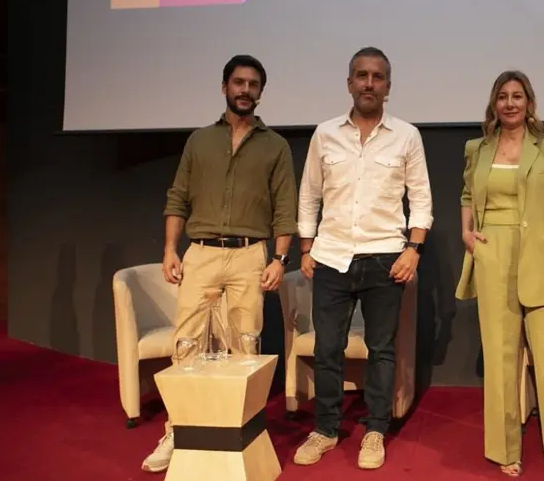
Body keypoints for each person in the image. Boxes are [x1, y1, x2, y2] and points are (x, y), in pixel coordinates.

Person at [142, 54, 299, 473]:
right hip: (202, 252)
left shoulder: (275, 146)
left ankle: (239, 433)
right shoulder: (198, 141)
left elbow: (285, 208)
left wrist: (280, 258)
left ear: (261, 92)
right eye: (238, 83)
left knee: (244, 348)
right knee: (188, 344)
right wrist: (170, 250)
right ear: (225, 87)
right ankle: (178, 431)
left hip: (250, 254)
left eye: (253, 84)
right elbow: (178, 197)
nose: (245, 90)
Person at [455, 70, 544, 478]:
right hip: (491, 255)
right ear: (494, 103)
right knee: (501, 358)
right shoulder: (476, 148)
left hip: (541, 256)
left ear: (529, 103)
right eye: (502, 96)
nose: (510, 103)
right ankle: (504, 449)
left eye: (518, 96)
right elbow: (467, 194)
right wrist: (466, 232)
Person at [293, 47, 433, 470]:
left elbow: (421, 198)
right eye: (361, 75)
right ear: (349, 82)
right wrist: (305, 247)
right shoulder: (325, 134)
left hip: (385, 257)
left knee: (381, 349)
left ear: (388, 87)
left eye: (377, 77)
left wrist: (414, 249)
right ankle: (326, 429)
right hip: (331, 256)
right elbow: (309, 194)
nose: (368, 83)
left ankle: (375, 430)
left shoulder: (407, 135)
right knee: (327, 348)